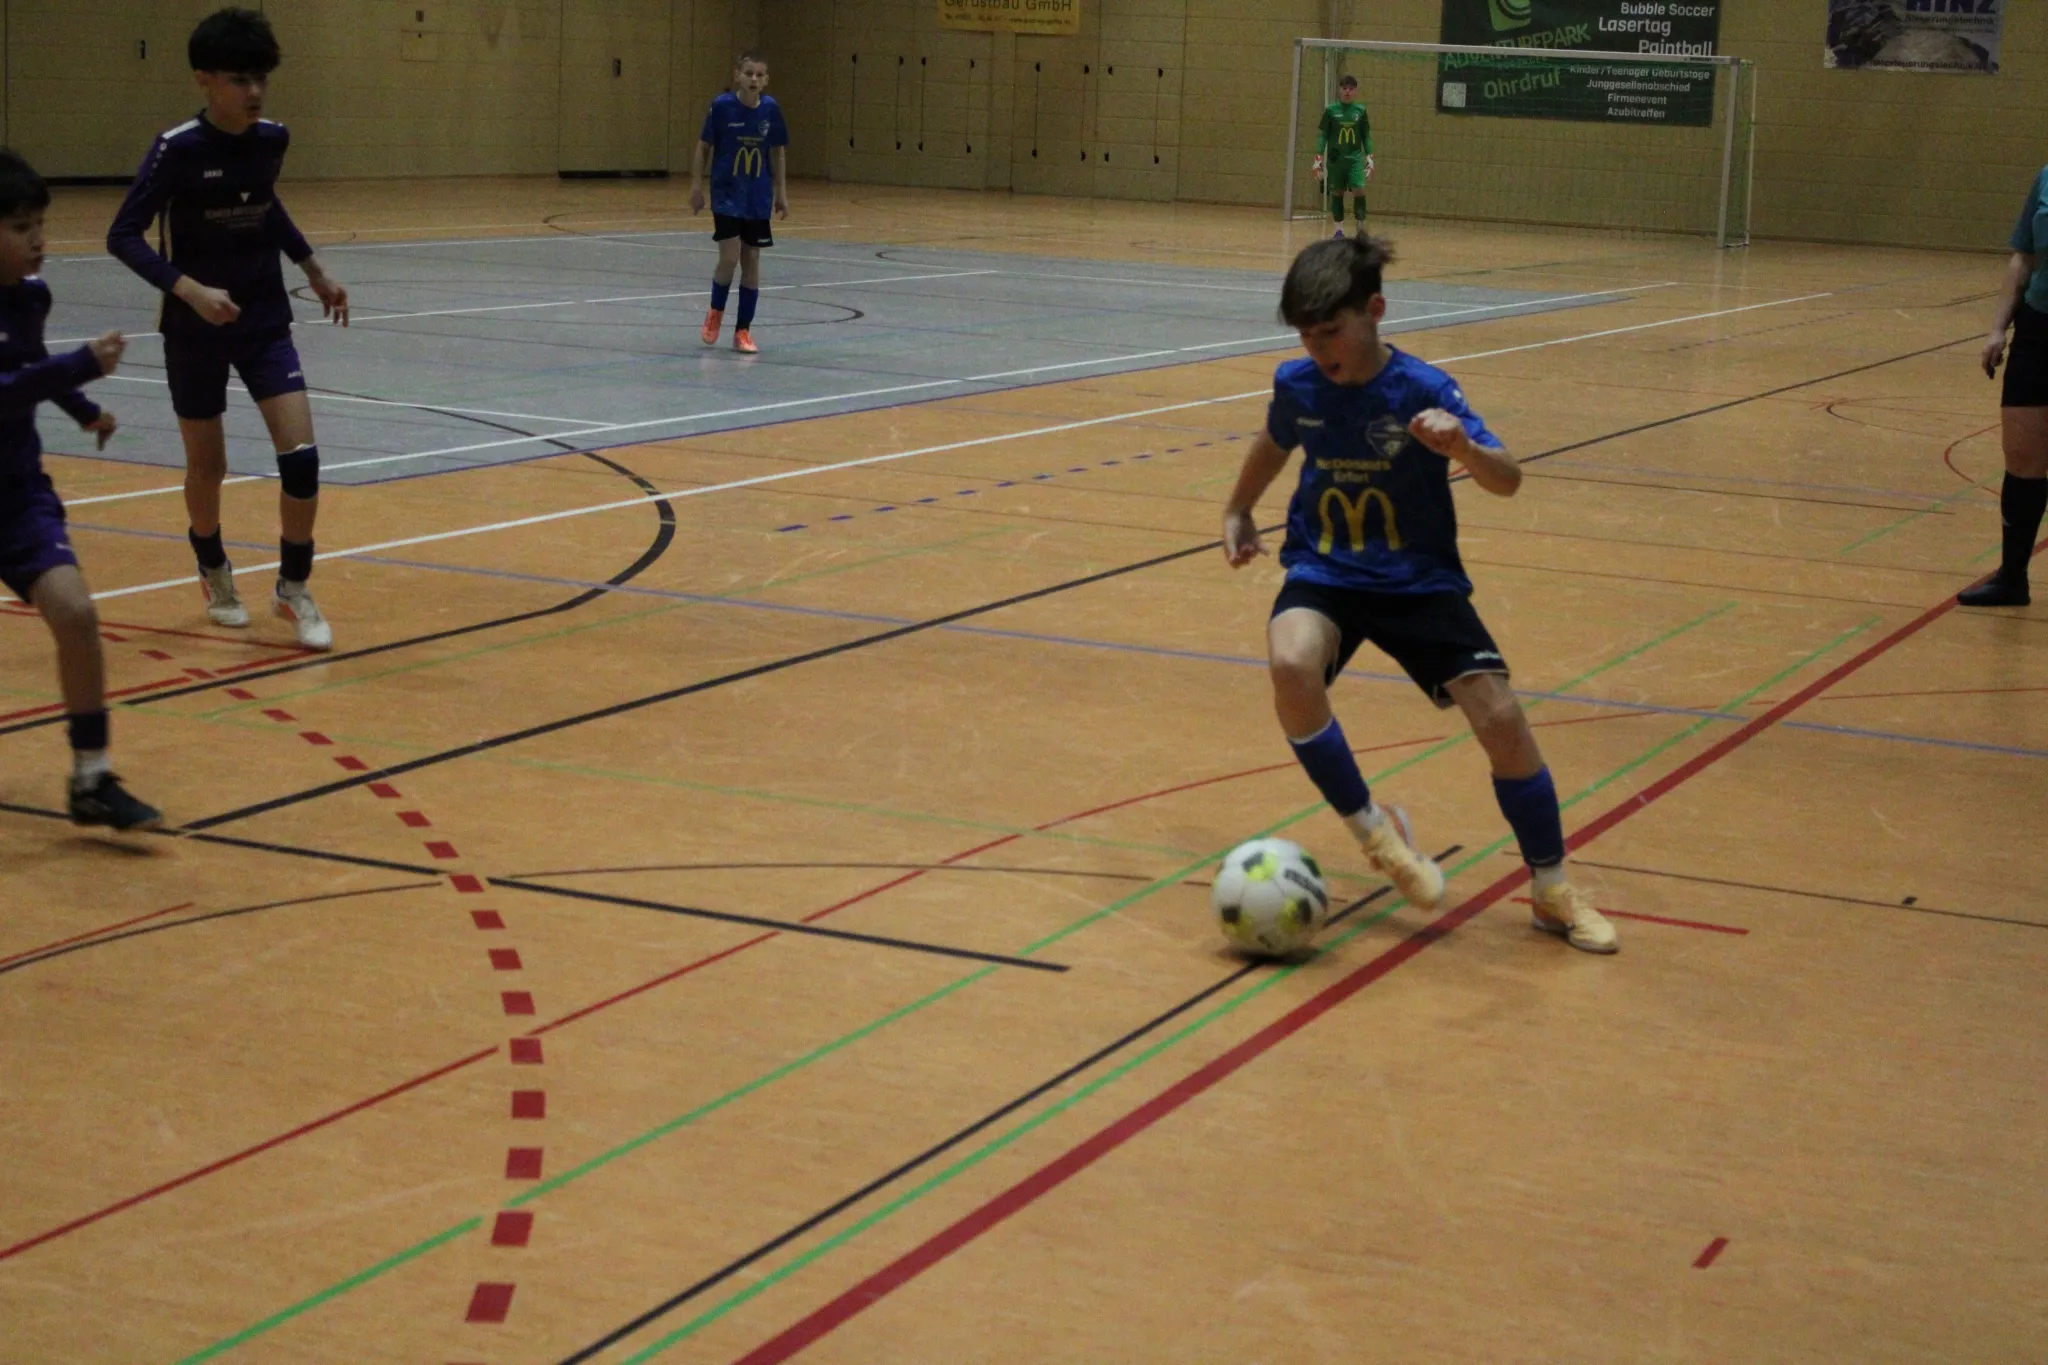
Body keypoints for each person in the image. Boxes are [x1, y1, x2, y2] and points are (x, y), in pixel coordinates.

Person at [1220, 236, 1616, 953]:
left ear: (1375, 311)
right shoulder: (1298, 385)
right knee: (1291, 663)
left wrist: (1463, 447)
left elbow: (1508, 478)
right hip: (1326, 571)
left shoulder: (1424, 390)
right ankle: (1378, 836)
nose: (1317, 349)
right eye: (1306, 336)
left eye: (1330, 331)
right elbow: (1276, 440)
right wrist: (1239, 508)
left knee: (1502, 719)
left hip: (1417, 581)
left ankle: (1552, 888)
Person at [107, 6, 347, 650]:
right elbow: (122, 235)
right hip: (195, 330)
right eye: (241, 79)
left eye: (262, 78)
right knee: (207, 466)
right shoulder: (177, 149)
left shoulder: (272, 139)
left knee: (302, 459)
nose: (255, 91)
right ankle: (214, 569)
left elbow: (265, 206)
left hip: (264, 319)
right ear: (205, 80)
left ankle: (293, 588)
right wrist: (189, 290)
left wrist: (313, 267)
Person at [0, 151, 161, 829]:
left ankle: (91, 777)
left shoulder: (31, 297)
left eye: (40, 223)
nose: (38, 239)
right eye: (20, 226)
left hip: (15, 496)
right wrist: (80, 366)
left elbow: (27, 364)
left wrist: (82, 409)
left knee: (75, 612)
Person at [1958, 164, 2048, 608]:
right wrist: (1998, 329)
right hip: (2038, 329)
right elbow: (2023, 258)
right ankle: (2012, 578)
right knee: (2022, 456)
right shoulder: (2045, 178)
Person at [691, 51, 790, 355]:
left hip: (757, 197)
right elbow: (704, 146)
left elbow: (777, 151)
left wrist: (781, 192)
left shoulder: (770, 110)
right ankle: (715, 312)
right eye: (749, 73)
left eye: (759, 75)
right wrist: (696, 186)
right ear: (737, 76)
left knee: (752, 260)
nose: (754, 79)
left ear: (766, 79)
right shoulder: (722, 107)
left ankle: (743, 330)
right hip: (726, 194)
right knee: (730, 257)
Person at [1314, 75, 1373, 240]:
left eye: (1351, 89)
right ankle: (1339, 231)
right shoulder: (1331, 111)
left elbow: (1366, 136)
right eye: (1344, 88)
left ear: (1355, 91)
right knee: (1337, 193)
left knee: (1359, 190)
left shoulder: (1360, 111)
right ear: (1340, 90)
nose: (1347, 92)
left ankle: (1360, 228)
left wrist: (1370, 158)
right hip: (1336, 161)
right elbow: (1323, 135)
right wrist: (1318, 158)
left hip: (1355, 160)